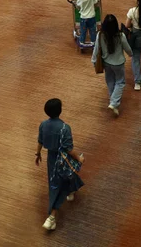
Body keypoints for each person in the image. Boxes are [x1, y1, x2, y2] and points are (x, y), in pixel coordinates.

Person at [36, 98, 84, 231]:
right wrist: (79, 159)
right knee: (58, 185)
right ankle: (51, 216)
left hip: (51, 158)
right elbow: (69, 149)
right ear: (60, 111)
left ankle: (72, 190)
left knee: (56, 180)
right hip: (64, 158)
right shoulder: (64, 128)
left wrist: (38, 153)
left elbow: (40, 141)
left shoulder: (43, 125)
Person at [92, 15, 133, 116]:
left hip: (106, 63)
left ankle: (113, 100)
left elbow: (96, 49)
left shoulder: (100, 35)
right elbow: (127, 47)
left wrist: (94, 61)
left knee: (110, 81)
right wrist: (131, 54)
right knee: (120, 82)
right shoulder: (120, 36)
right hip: (118, 63)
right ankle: (114, 103)